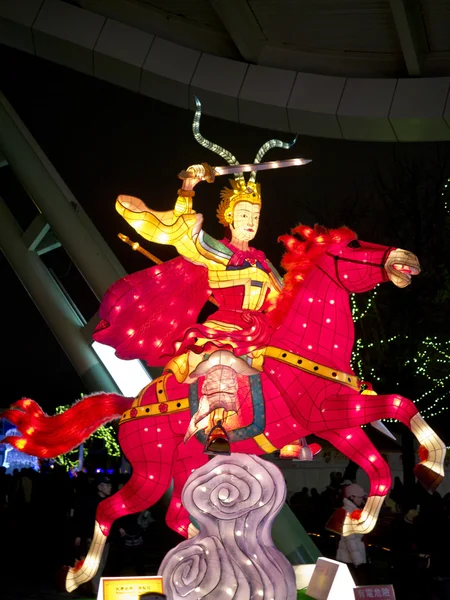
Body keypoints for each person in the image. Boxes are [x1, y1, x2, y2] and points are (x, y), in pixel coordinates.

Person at [94, 98, 309, 453]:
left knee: (296, 362)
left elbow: (284, 300)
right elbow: (181, 232)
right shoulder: (216, 250)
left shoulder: (263, 262)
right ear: (228, 217)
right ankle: (217, 424)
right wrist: (188, 187)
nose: (250, 221)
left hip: (262, 327)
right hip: (225, 326)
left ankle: (293, 429)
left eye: (255, 214)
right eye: (243, 214)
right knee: (219, 359)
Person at [72, 475, 113, 595]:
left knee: (101, 564)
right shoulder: (90, 502)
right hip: (94, 537)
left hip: (106, 538)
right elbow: (83, 518)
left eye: (110, 485)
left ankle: (88, 587)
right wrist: (80, 535)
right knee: (97, 565)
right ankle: (96, 591)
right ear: (100, 487)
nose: (110, 488)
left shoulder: (108, 501)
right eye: (107, 485)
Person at [336, 483, 369, 585]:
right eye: (360, 497)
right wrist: (358, 560)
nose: (362, 500)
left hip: (350, 558)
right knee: (356, 585)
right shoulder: (349, 513)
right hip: (351, 560)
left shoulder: (352, 511)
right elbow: (350, 538)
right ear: (352, 497)